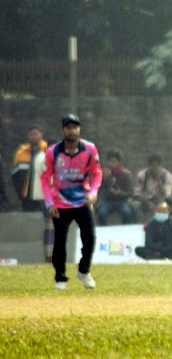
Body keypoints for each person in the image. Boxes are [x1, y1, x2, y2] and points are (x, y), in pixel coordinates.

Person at [41, 114, 103, 290]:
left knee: (89, 238)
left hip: (83, 202)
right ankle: (60, 278)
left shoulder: (90, 149)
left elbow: (97, 174)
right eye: (69, 127)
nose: (72, 130)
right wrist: (49, 203)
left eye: (75, 127)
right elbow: (45, 179)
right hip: (60, 204)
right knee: (59, 241)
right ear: (63, 130)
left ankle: (84, 272)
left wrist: (93, 192)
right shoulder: (53, 152)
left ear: (79, 129)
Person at [11, 125, 53, 261]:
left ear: (41, 134)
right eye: (31, 134)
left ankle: (48, 254)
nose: (33, 136)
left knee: (48, 222)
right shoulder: (21, 153)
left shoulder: (49, 150)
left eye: (36, 134)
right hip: (27, 195)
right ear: (28, 136)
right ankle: (30, 255)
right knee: (30, 222)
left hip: (44, 194)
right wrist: (20, 193)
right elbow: (15, 176)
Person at [96, 149, 135, 225]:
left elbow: (130, 192)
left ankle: (125, 231)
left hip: (122, 201)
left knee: (127, 213)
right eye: (109, 161)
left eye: (114, 162)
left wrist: (120, 193)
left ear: (120, 162)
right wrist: (103, 179)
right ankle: (105, 232)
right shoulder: (107, 173)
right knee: (101, 213)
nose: (111, 164)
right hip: (109, 201)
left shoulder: (126, 174)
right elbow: (100, 190)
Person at [131, 154, 172, 222]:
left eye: (157, 166)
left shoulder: (167, 175)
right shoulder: (142, 175)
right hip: (144, 201)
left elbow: (166, 195)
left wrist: (158, 180)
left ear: (160, 166)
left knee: (163, 204)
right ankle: (141, 223)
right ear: (148, 166)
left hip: (159, 201)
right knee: (135, 205)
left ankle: (158, 224)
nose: (154, 168)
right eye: (152, 166)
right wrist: (148, 203)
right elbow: (137, 194)